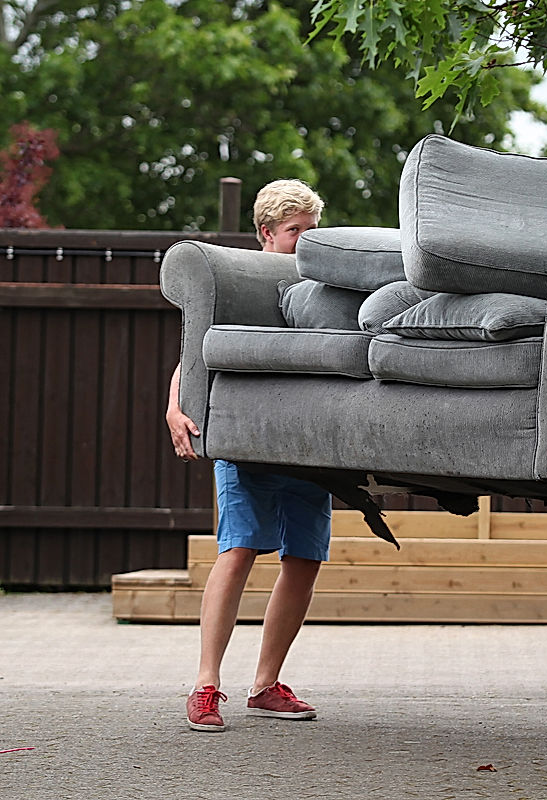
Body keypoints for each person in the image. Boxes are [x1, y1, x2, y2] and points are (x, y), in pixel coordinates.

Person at [167, 179, 331, 732]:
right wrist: (174, 408)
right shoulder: (239, 278)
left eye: (312, 230)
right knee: (239, 550)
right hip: (247, 441)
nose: (306, 241)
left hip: (308, 445)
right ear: (267, 232)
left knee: (304, 560)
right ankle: (206, 686)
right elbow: (193, 353)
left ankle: (265, 685)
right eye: (295, 232)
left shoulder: (322, 283)